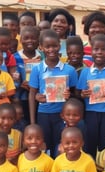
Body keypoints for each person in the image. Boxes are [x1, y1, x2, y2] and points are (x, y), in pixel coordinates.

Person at [28, 29, 78, 158]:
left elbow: (76, 95)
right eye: (47, 46)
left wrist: (69, 96)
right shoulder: (37, 69)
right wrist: (33, 122)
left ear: (59, 45)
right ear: (41, 48)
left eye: (54, 46)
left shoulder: (70, 70)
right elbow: (32, 94)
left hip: (62, 115)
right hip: (43, 114)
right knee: (45, 146)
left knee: (61, 146)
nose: (51, 49)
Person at [13, 26, 42, 123]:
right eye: (26, 38)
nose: (30, 41)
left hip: (41, 97)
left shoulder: (43, 56)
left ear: (38, 40)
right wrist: (20, 84)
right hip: (22, 98)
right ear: (21, 40)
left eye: (33, 38)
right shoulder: (15, 57)